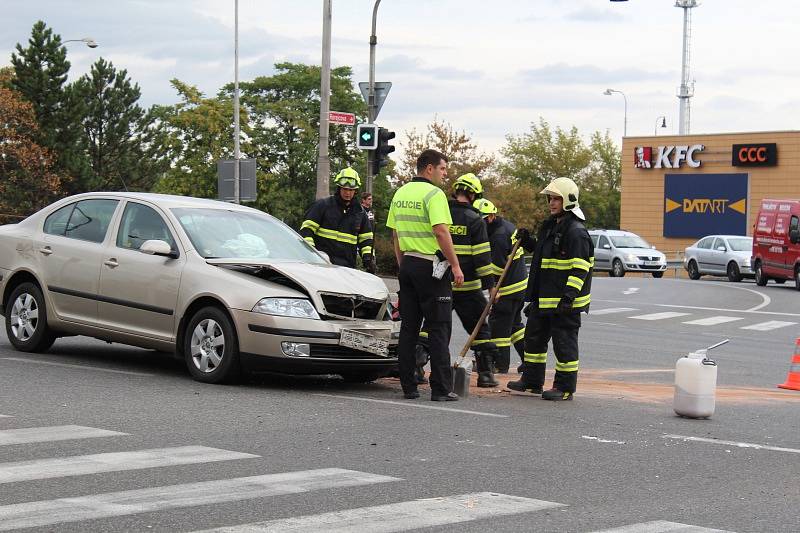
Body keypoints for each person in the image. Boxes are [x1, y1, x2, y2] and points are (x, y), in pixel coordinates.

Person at [386, 149, 464, 401]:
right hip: (431, 269)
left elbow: (395, 235)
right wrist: (455, 265)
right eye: (442, 168)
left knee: (409, 328)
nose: (445, 173)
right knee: (439, 327)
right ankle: (441, 389)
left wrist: (403, 264)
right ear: (429, 168)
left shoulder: (400, 193)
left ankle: (409, 386)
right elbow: (441, 232)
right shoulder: (434, 194)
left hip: (408, 265)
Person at [507, 177, 593, 401]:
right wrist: (528, 242)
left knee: (564, 345)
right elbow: (544, 255)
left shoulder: (576, 232)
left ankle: (564, 388)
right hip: (544, 299)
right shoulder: (551, 226)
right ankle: (532, 381)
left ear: (568, 200)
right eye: (550, 199)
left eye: (556, 198)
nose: (551, 203)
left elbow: (581, 267)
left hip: (564, 302)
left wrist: (569, 297)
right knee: (533, 339)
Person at [416, 174, 499, 388]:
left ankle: (417, 368)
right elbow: (482, 257)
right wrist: (491, 286)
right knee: (480, 330)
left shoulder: (441, 213)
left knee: (432, 326)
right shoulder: (475, 219)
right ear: (473, 195)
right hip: (469, 288)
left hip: (441, 283)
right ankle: (486, 375)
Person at [473, 198, 528, 374]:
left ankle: (500, 364)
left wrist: (487, 285)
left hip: (508, 289)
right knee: (515, 326)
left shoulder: (497, 237)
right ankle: (530, 361)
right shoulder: (506, 226)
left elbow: (496, 268)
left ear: (490, 217)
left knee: (499, 326)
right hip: (519, 285)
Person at [300, 167, 375, 273]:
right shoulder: (323, 206)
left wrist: (368, 259)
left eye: (351, 190)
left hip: (347, 268)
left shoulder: (360, 213)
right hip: (321, 266)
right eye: (345, 189)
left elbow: (366, 239)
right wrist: (312, 254)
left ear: (355, 191)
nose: (347, 193)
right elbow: (306, 230)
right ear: (339, 188)